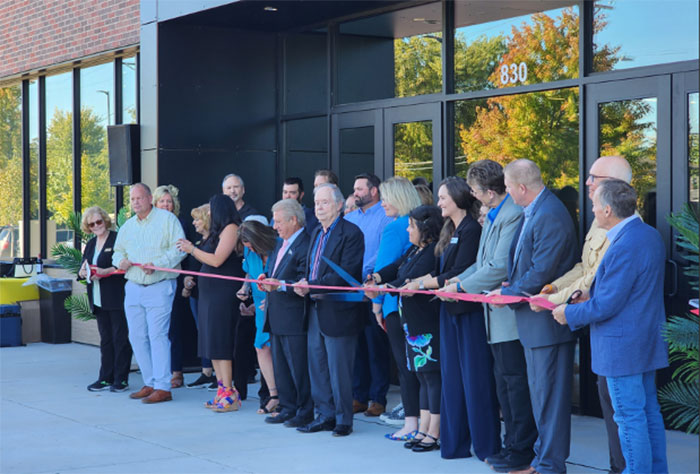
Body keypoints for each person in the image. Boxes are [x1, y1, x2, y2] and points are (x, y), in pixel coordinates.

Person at [553, 180, 669, 474]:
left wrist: (569, 312)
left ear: (607, 209)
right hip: (644, 341)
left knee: (629, 417)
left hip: (622, 347)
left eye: (593, 205)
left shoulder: (625, 243)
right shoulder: (647, 235)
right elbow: (628, 291)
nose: (590, 210)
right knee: (647, 413)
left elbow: (608, 306)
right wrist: (590, 295)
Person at [531, 155, 634, 474]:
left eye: (594, 177)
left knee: (621, 410)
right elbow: (582, 266)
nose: (587, 182)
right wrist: (550, 289)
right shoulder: (599, 218)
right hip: (599, 327)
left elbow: (595, 279)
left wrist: (556, 302)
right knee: (609, 403)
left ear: (615, 184)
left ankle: (623, 467)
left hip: (615, 330)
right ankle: (619, 466)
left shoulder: (620, 224)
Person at [439, 160, 535, 472]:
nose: (475, 197)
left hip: (508, 319)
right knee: (504, 387)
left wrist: (461, 286)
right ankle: (510, 447)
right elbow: (483, 263)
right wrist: (453, 282)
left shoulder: (510, 215)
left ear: (491, 193)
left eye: (477, 192)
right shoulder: (495, 215)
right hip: (492, 317)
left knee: (515, 387)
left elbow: (499, 268)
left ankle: (520, 450)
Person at [489, 159, 578, 474]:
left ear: (521, 188)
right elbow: (528, 264)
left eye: (510, 188)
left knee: (549, 399)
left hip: (546, 324)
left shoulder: (550, 214)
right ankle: (542, 460)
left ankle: (550, 465)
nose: (509, 193)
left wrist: (509, 294)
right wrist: (510, 287)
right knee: (541, 397)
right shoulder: (537, 211)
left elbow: (543, 269)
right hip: (534, 323)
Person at [403, 177, 500, 461]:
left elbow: (464, 269)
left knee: (474, 381)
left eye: (443, 197)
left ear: (458, 198)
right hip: (448, 311)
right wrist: (422, 281)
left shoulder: (470, 229)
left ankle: (485, 445)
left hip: (467, 313)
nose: (439, 202)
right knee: (452, 381)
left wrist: (423, 285)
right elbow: (445, 270)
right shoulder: (451, 229)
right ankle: (455, 442)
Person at [367, 205, 443, 452]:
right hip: (411, 324)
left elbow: (407, 281)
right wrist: (377, 279)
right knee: (421, 376)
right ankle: (422, 428)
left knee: (432, 377)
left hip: (426, 324)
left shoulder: (432, 252)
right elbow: (396, 268)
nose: (408, 230)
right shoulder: (414, 250)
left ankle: (434, 431)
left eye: (411, 225)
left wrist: (385, 287)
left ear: (425, 228)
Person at [294, 183, 365, 437]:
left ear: (338, 205)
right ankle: (324, 415)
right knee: (318, 365)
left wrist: (309, 285)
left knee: (339, 369)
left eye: (325, 202)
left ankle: (343, 419)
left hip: (339, 310)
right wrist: (304, 284)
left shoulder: (351, 233)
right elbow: (310, 267)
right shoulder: (315, 232)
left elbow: (343, 275)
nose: (319, 207)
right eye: (317, 203)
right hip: (314, 306)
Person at [113, 183, 186, 404]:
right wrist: (120, 261)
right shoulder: (128, 226)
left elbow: (179, 248)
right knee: (136, 336)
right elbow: (117, 252)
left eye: (139, 198)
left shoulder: (167, 220)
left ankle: (163, 387)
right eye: (132, 199)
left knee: (157, 335)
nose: (135, 202)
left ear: (149, 199)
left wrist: (158, 264)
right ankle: (150, 382)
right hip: (134, 286)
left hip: (159, 285)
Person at [176, 194, 244, 412]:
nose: (209, 214)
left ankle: (231, 393)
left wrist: (192, 250)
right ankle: (221, 389)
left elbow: (217, 260)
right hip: (208, 295)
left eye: (212, 210)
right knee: (211, 343)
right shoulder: (215, 233)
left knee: (221, 342)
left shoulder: (231, 229)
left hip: (222, 296)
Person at [366, 177, 422, 440]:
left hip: (394, 305)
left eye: (386, 198)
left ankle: (412, 420)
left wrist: (376, 305)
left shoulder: (394, 227)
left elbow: (383, 269)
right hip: (417, 306)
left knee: (404, 364)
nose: (383, 203)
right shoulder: (419, 222)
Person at [258, 198, 313, 427]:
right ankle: (288, 407)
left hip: (293, 316)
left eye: (279, 221)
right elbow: (274, 273)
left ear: (293, 220)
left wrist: (278, 284)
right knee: (281, 367)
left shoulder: (305, 244)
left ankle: (304, 409)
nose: (275, 226)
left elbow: (303, 278)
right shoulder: (280, 244)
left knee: (298, 367)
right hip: (277, 314)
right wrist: (265, 279)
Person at [345, 173, 394, 417]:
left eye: (360, 189)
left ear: (374, 191)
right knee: (357, 346)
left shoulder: (387, 216)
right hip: (350, 289)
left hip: (373, 288)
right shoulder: (350, 218)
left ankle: (378, 397)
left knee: (376, 346)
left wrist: (368, 276)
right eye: (354, 189)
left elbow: (383, 254)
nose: (355, 193)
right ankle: (358, 395)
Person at [79, 206, 132, 393]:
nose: (96, 226)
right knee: (106, 340)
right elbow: (84, 265)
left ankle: (121, 379)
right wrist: (82, 271)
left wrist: (107, 272)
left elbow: (126, 265)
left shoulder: (117, 239)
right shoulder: (92, 243)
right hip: (98, 298)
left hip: (116, 296)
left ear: (105, 220)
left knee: (120, 339)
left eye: (98, 222)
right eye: (91, 224)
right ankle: (105, 378)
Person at [238, 218, 280, 415]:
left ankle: (286, 395)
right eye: (247, 247)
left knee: (279, 350)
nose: (251, 250)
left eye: (252, 246)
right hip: (260, 305)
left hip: (278, 303)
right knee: (261, 348)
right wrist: (244, 289)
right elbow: (248, 274)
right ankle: (273, 395)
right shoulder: (249, 252)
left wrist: (273, 300)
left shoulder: (278, 247)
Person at [222, 173, 258, 396]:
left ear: (243, 190)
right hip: (231, 284)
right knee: (233, 336)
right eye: (228, 188)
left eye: (236, 187)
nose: (233, 191)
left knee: (246, 336)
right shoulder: (224, 216)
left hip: (251, 278)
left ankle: (246, 377)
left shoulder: (252, 215)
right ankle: (236, 383)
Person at [152, 184, 189, 389]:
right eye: (162, 201)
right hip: (150, 281)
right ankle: (159, 372)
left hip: (173, 280)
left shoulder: (179, 223)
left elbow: (181, 251)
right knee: (157, 331)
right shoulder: (148, 225)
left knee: (173, 328)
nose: (166, 205)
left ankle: (176, 372)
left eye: (169, 201)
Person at [182, 203, 217, 389]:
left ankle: (219, 375)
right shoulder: (198, 242)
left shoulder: (214, 242)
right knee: (202, 333)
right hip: (196, 294)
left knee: (212, 334)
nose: (194, 223)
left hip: (211, 295)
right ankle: (206, 371)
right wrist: (187, 281)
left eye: (197, 218)